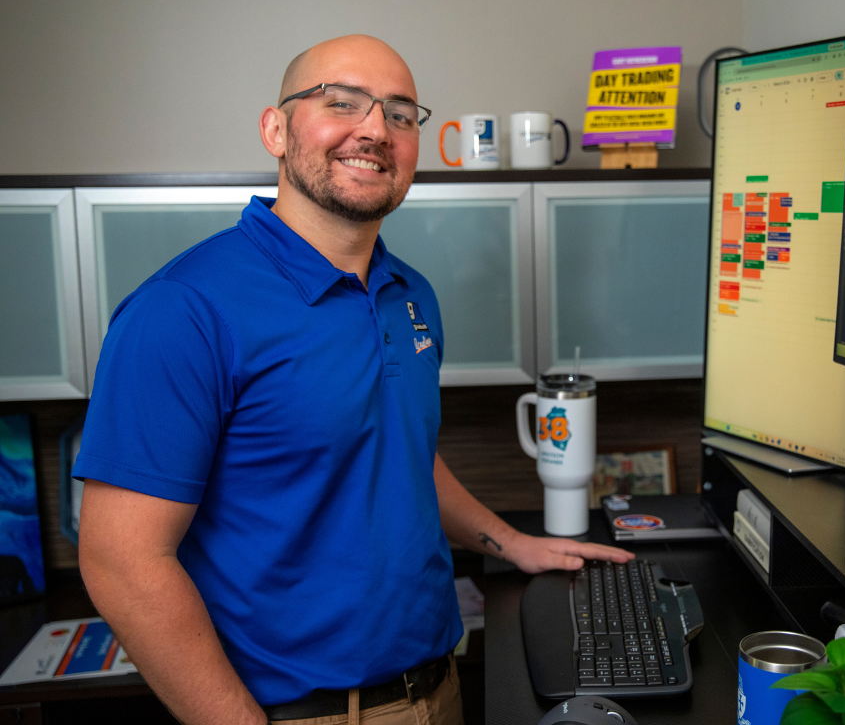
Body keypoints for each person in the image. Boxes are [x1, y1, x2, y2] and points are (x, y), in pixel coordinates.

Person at [73, 35, 633, 725]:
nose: (375, 129)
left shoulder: (410, 294)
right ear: (275, 130)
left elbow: (398, 452)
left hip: (440, 689)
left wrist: (508, 542)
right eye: (341, 103)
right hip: (299, 713)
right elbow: (121, 562)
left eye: (400, 114)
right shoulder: (183, 310)